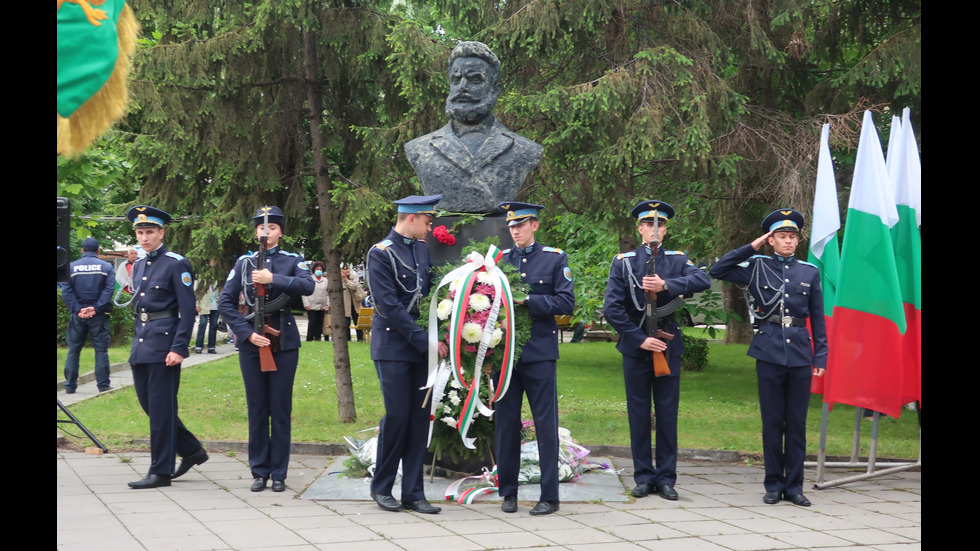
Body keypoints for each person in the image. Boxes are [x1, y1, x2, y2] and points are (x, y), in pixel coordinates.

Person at [710, 208, 827, 507]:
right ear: (771, 240)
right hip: (770, 349)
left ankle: (795, 486)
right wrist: (752, 246)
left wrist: (821, 357)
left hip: (800, 352)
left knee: (797, 423)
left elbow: (817, 317)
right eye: (781, 237)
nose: (788, 242)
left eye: (792, 237)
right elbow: (719, 269)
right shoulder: (755, 266)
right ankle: (774, 484)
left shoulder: (809, 272)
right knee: (773, 421)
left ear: (798, 241)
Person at [603, 200, 711, 501]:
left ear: (665, 230)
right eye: (649, 225)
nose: (654, 230)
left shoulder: (677, 260)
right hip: (637, 349)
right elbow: (611, 308)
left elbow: (702, 279)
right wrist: (639, 339)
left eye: (659, 225)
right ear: (639, 229)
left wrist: (668, 284)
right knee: (638, 414)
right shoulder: (624, 262)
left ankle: (666, 478)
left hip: (667, 346)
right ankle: (643, 477)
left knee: (666, 414)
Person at [218, 206, 315, 492]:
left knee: (280, 409)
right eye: (261, 228)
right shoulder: (244, 263)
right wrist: (247, 334)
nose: (265, 232)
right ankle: (259, 471)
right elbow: (225, 302)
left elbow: (308, 286)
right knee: (258, 408)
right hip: (252, 343)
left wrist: (274, 279)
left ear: (280, 232)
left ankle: (280, 474)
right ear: (255, 232)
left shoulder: (293, 260)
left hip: (283, 342)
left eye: (271, 228)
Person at [366, 194, 447, 514]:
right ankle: (382, 486)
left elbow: (429, 299)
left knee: (418, 420)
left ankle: (414, 491)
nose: (430, 227)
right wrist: (423, 341)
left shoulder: (422, 249)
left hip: (420, 348)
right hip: (393, 348)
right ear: (410, 219)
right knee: (398, 416)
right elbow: (388, 306)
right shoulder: (380, 253)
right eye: (427, 222)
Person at [494, 202, 575, 516]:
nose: (515, 231)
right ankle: (508, 493)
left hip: (540, 354)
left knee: (545, 425)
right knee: (506, 425)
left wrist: (528, 300)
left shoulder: (554, 258)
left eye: (521, 225)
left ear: (535, 226)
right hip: (507, 356)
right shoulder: (500, 261)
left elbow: (566, 302)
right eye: (512, 226)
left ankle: (549, 496)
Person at [124, 205, 208, 489]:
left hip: (165, 346)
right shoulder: (138, 264)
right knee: (150, 406)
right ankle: (192, 450)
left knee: (161, 410)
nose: (144, 237)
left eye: (149, 232)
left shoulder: (176, 263)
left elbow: (187, 310)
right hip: (142, 344)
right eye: (140, 232)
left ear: (161, 233)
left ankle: (160, 471)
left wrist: (179, 347)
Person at [404, 41, 543, 213]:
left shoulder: (524, 150)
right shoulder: (419, 149)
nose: (462, 87)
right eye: (456, 79)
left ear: (495, 88)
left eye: (474, 80)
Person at [60, 237, 115, 393]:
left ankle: (70, 387)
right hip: (98, 316)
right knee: (101, 351)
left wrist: (78, 310)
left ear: (82, 250)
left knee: (73, 350)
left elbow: (66, 291)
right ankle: (103, 386)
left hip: (77, 317)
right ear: (98, 251)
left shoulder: (70, 267)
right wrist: (95, 309)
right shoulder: (107, 267)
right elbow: (109, 290)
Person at [303, 261, 329, 341]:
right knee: (312, 322)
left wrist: (328, 304)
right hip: (311, 305)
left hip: (322, 305)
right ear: (314, 270)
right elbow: (304, 293)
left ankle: (318, 338)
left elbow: (328, 293)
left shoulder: (325, 280)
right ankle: (309, 338)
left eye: (320, 269)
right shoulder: (309, 279)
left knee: (320, 323)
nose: (319, 271)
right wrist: (306, 304)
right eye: (317, 269)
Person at [194, 272, 219, 353]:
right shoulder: (202, 275)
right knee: (203, 324)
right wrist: (197, 304)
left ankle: (211, 346)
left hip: (215, 304)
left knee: (214, 325)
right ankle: (199, 346)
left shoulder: (219, 274)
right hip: (204, 304)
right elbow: (196, 290)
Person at [341, 264, 367, 341]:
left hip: (355, 303)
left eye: (347, 268)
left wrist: (346, 279)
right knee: (346, 323)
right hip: (345, 304)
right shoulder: (338, 279)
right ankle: (347, 339)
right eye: (344, 269)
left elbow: (354, 286)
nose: (346, 271)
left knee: (357, 322)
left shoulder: (354, 276)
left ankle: (360, 338)